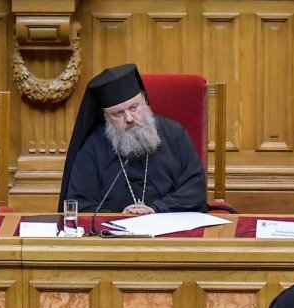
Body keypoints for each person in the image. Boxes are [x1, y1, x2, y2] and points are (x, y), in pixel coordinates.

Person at [59, 64, 207, 214]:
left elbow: (195, 190)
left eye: (134, 107)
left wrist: (157, 209)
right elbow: (80, 203)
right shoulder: (92, 147)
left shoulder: (174, 134)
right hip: (113, 233)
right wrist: (117, 218)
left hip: (169, 228)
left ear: (145, 101)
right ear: (106, 117)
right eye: (118, 114)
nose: (129, 118)